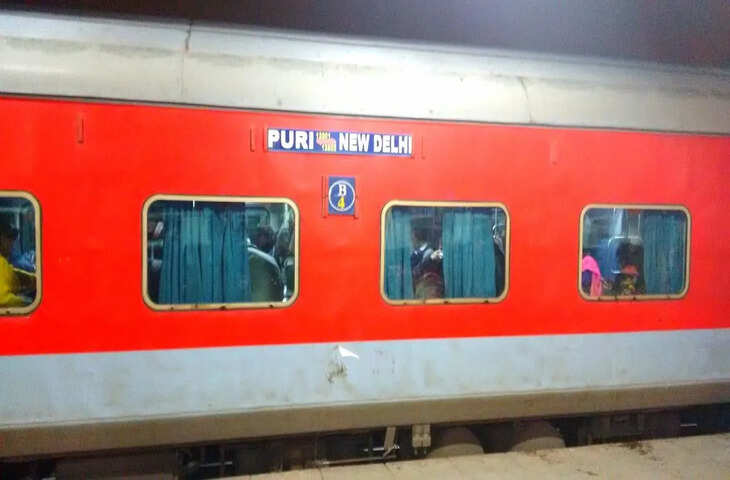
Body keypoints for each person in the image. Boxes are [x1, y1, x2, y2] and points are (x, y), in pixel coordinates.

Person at [0, 219, 27, 307]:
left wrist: (32, 280)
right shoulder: (1, 263)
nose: (12, 242)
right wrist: (27, 304)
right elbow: (3, 299)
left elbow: (12, 275)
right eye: (8, 237)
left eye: (13, 238)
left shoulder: (4, 262)